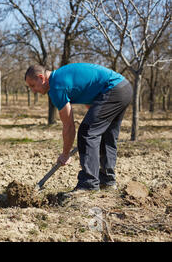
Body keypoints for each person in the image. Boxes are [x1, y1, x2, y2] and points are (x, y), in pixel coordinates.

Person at [24, 63, 133, 195]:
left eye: (33, 86)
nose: (33, 91)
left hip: (113, 89)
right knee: (105, 135)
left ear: (41, 78)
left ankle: (88, 184)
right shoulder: (61, 76)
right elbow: (90, 91)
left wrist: (65, 154)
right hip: (124, 87)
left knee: (87, 132)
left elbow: (69, 126)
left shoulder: (56, 86)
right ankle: (107, 181)